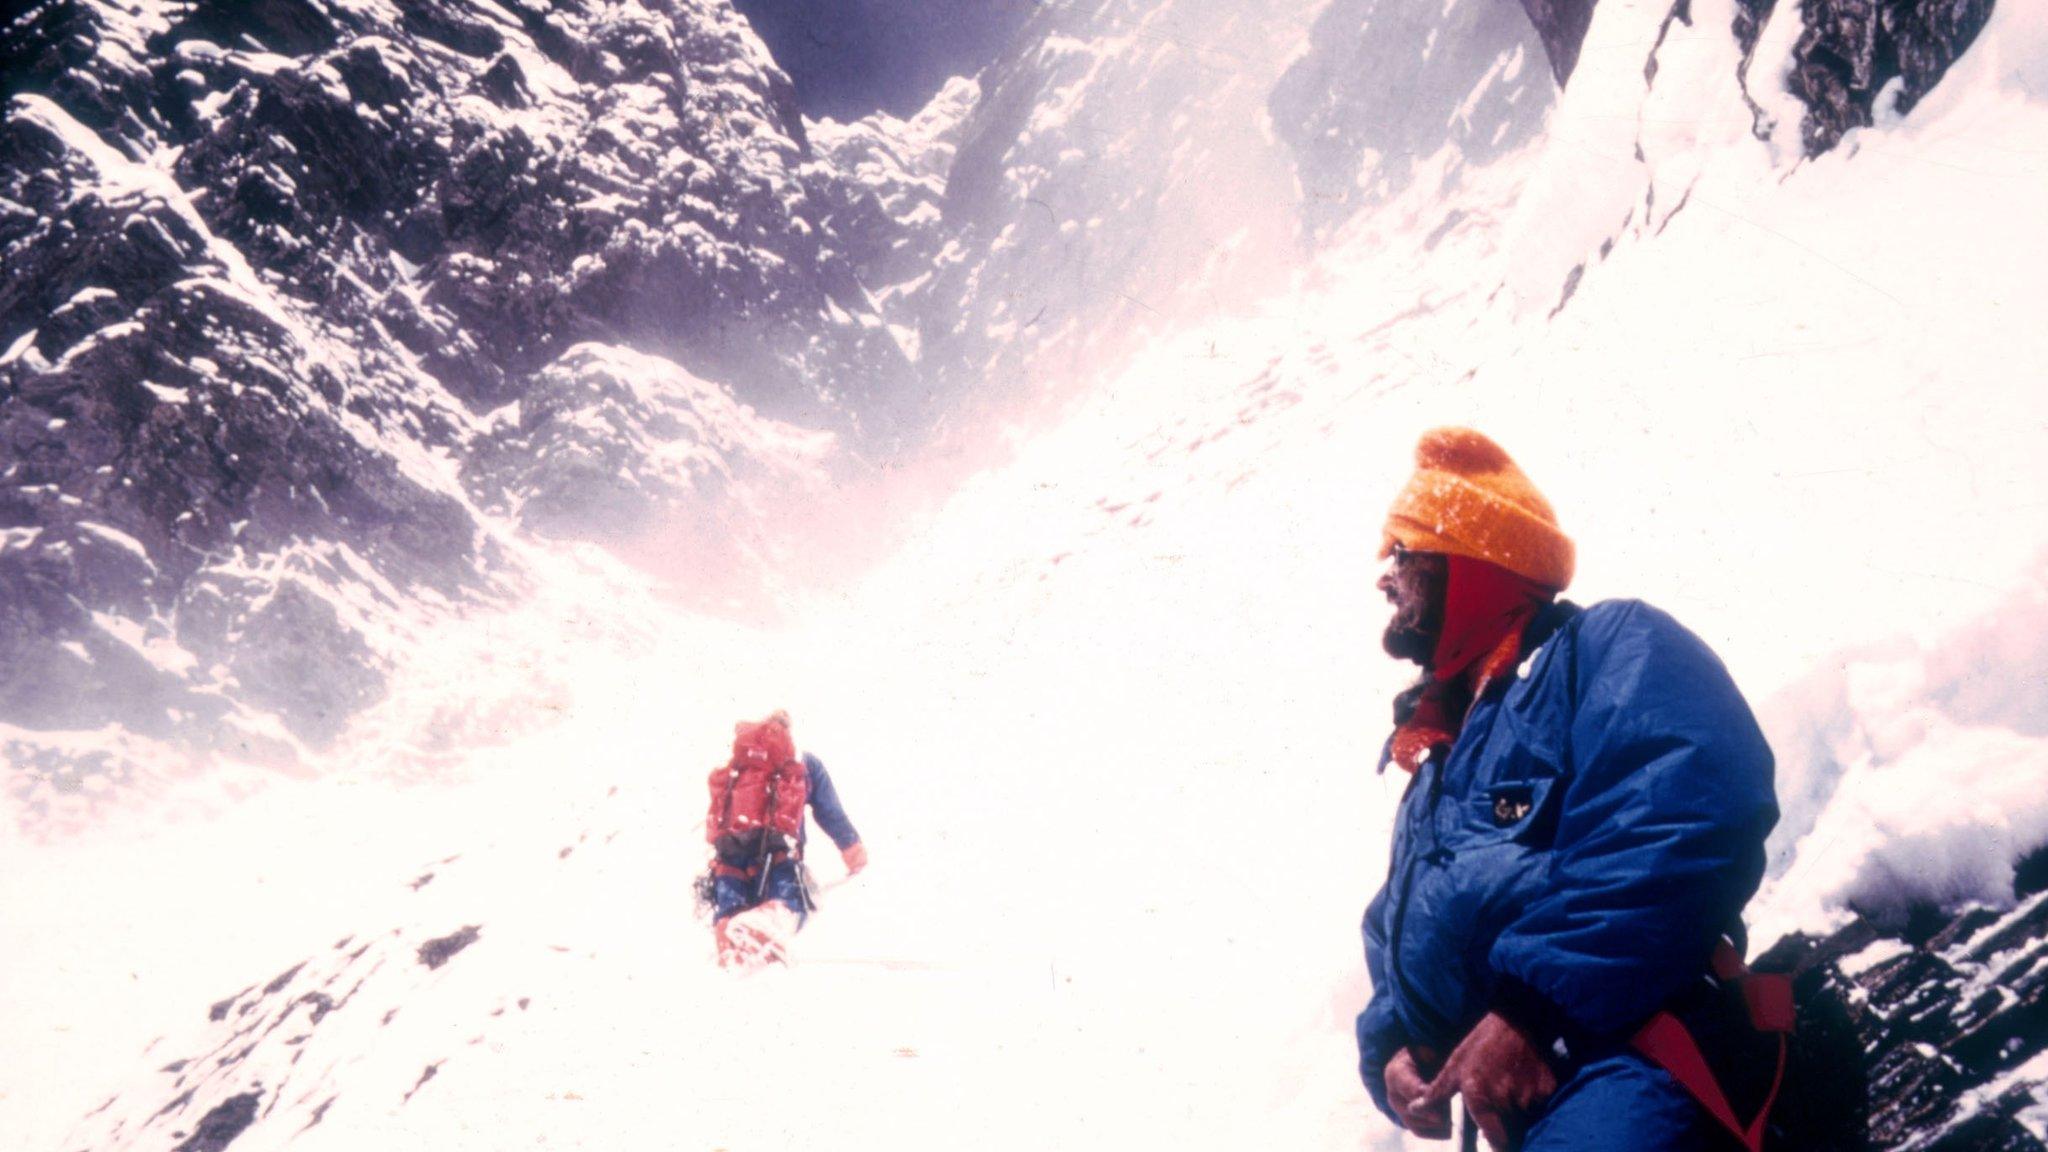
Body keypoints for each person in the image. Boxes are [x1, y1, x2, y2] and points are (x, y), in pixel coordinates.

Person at [1357, 428, 1779, 1150]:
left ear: (1468, 559)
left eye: (1402, 552)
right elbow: (1395, 927)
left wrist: (1531, 1012)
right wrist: (1394, 1043)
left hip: (1634, 1051)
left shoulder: (1607, 648)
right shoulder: (1443, 758)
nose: (1384, 578)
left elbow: (1688, 809)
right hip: (1534, 1101)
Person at [706, 710, 867, 967]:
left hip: (731, 856)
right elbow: (829, 812)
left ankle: (729, 951)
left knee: (731, 912)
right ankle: (758, 931)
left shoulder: (738, 764)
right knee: (794, 905)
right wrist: (853, 850)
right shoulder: (802, 761)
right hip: (777, 851)